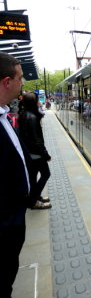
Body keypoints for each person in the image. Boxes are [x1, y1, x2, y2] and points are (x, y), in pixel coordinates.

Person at [0, 52, 30, 297]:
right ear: (6, 82)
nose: (23, 83)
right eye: (19, 78)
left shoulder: (4, 114)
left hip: (14, 218)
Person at [19, 92, 52, 210]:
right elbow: (37, 141)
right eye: (38, 100)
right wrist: (46, 154)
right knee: (46, 174)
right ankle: (33, 200)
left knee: (33, 178)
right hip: (36, 154)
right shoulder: (32, 118)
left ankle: (36, 197)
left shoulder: (24, 114)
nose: (39, 102)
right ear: (33, 103)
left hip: (29, 153)